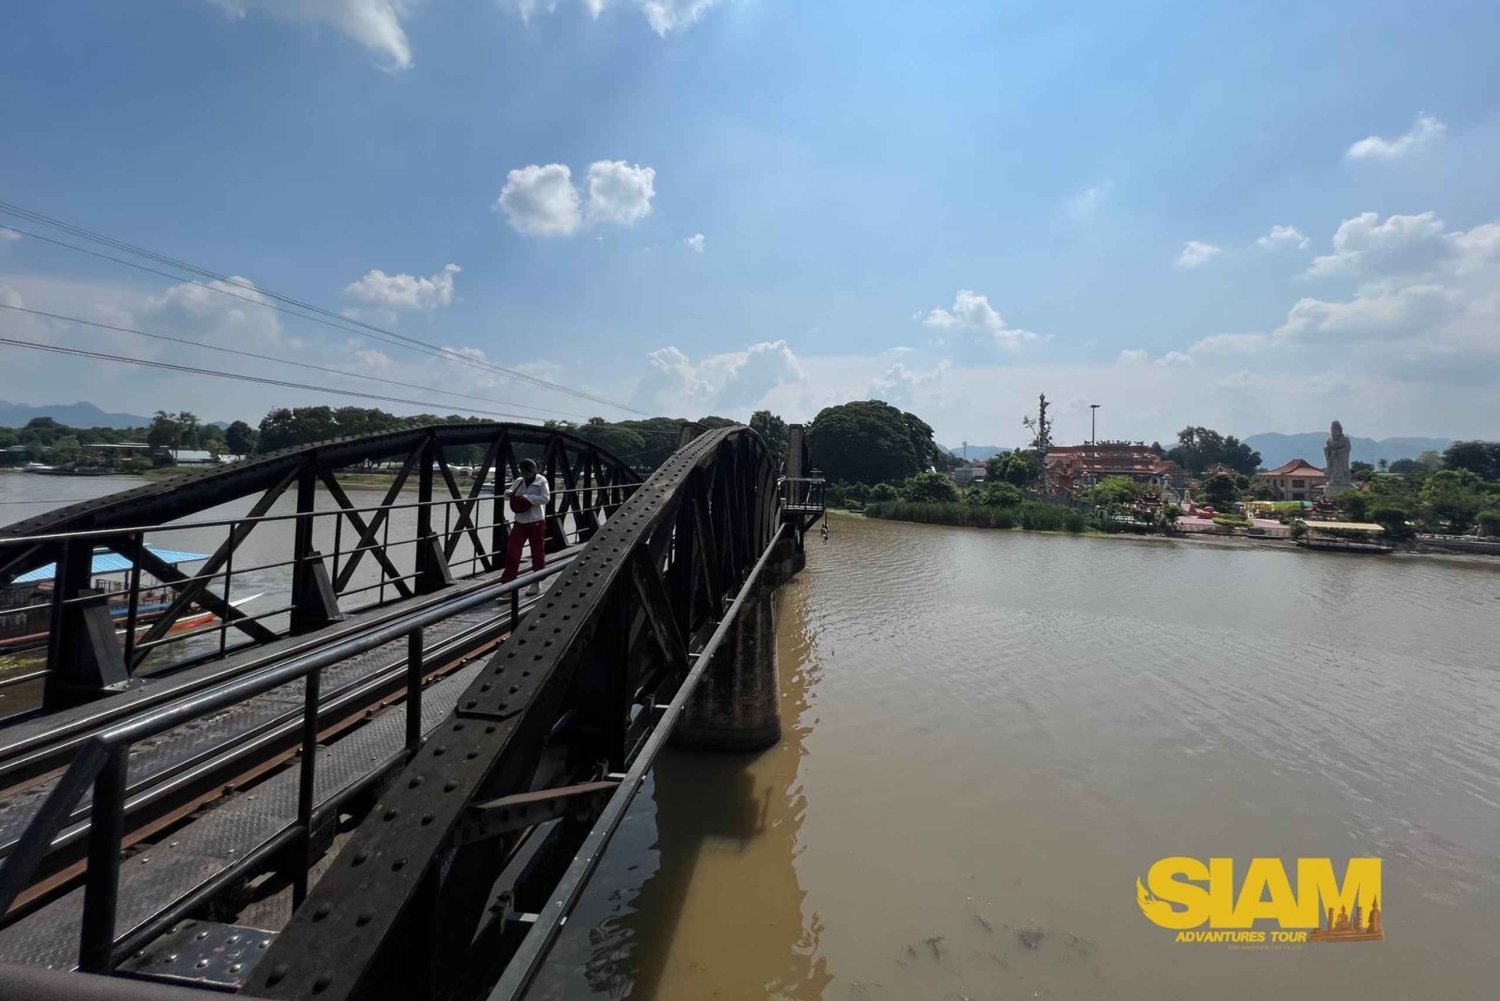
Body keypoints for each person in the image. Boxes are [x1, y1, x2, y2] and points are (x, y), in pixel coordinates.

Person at [501, 458, 550, 594]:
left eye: (528, 472)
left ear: (533, 471)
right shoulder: (519, 481)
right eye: (523, 472)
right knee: (513, 551)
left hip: (536, 521)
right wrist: (508, 493)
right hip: (520, 521)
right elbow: (507, 496)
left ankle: (537, 582)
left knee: (537, 553)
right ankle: (508, 584)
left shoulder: (541, 481)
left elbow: (545, 498)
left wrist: (527, 498)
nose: (525, 475)